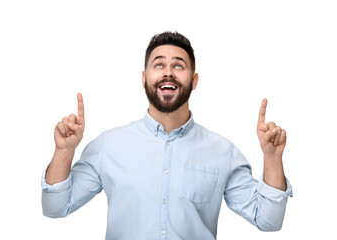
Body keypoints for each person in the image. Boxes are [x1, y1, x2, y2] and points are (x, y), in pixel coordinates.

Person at [41, 31, 293, 240]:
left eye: (178, 65)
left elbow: (268, 221)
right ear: (144, 79)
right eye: (159, 64)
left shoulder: (223, 151)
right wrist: (64, 153)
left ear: (194, 80)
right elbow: (55, 208)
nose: (168, 72)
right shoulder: (108, 145)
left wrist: (272, 158)